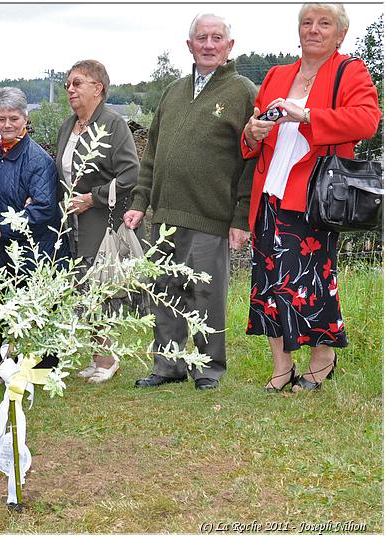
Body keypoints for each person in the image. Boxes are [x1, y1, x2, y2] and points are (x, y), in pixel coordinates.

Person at [241, 3, 380, 392]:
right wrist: (252, 132)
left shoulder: (348, 70)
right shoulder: (276, 74)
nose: (313, 29)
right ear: (297, 31)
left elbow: (367, 120)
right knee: (267, 284)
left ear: (340, 34)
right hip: (269, 194)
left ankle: (323, 358)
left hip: (313, 197)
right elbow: (252, 136)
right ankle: (281, 368)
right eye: (307, 22)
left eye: (324, 23)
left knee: (312, 283)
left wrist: (305, 116)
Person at [124, 13, 257, 391]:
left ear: (230, 46)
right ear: (190, 45)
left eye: (218, 38)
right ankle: (168, 366)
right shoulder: (173, 91)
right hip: (164, 213)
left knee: (205, 294)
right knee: (165, 291)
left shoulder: (242, 91)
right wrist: (140, 200)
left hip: (210, 214)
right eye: (202, 38)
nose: (209, 44)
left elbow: (252, 158)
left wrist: (241, 218)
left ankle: (208, 368)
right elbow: (151, 154)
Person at [55, 59, 139, 384]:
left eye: (77, 83)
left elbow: (132, 173)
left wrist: (94, 197)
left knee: (97, 291)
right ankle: (97, 355)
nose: (70, 90)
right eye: (67, 85)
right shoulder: (68, 125)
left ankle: (107, 358)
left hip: (101, 221)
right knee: (82, 289)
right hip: (74, 223)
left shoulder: (113, 124)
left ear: (97, 88)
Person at [0, 86, 68, 387]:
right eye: (1, 118)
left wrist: (1, 227)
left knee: (38, 309)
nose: (7, 124)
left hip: (36, 248)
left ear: (25, 119)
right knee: (7, 309)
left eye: (13, 118)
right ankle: (6, 366)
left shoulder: (38, 160)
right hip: (5, 250)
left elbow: (44, 209)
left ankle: (43, 372)